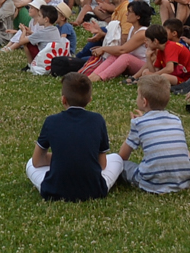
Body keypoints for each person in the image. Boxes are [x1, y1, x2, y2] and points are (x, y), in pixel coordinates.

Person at [26, 72, 121, 200]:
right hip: (94, 190)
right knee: (117, 159)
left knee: (30, 164)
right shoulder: (97, 120)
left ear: (63, 99)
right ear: (89, 100)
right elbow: (102, 164)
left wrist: (63, 156)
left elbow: (37, 162)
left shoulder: (51, 121)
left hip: (54, 190)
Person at [112, 73, 190, 194]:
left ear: (144, 101)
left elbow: (123, 156)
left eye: (138, 95)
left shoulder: (138, 123)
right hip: (183, 180)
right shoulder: (176, 120)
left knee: (120, 164)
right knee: (186, 153)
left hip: (153, 183)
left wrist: (135, 124)